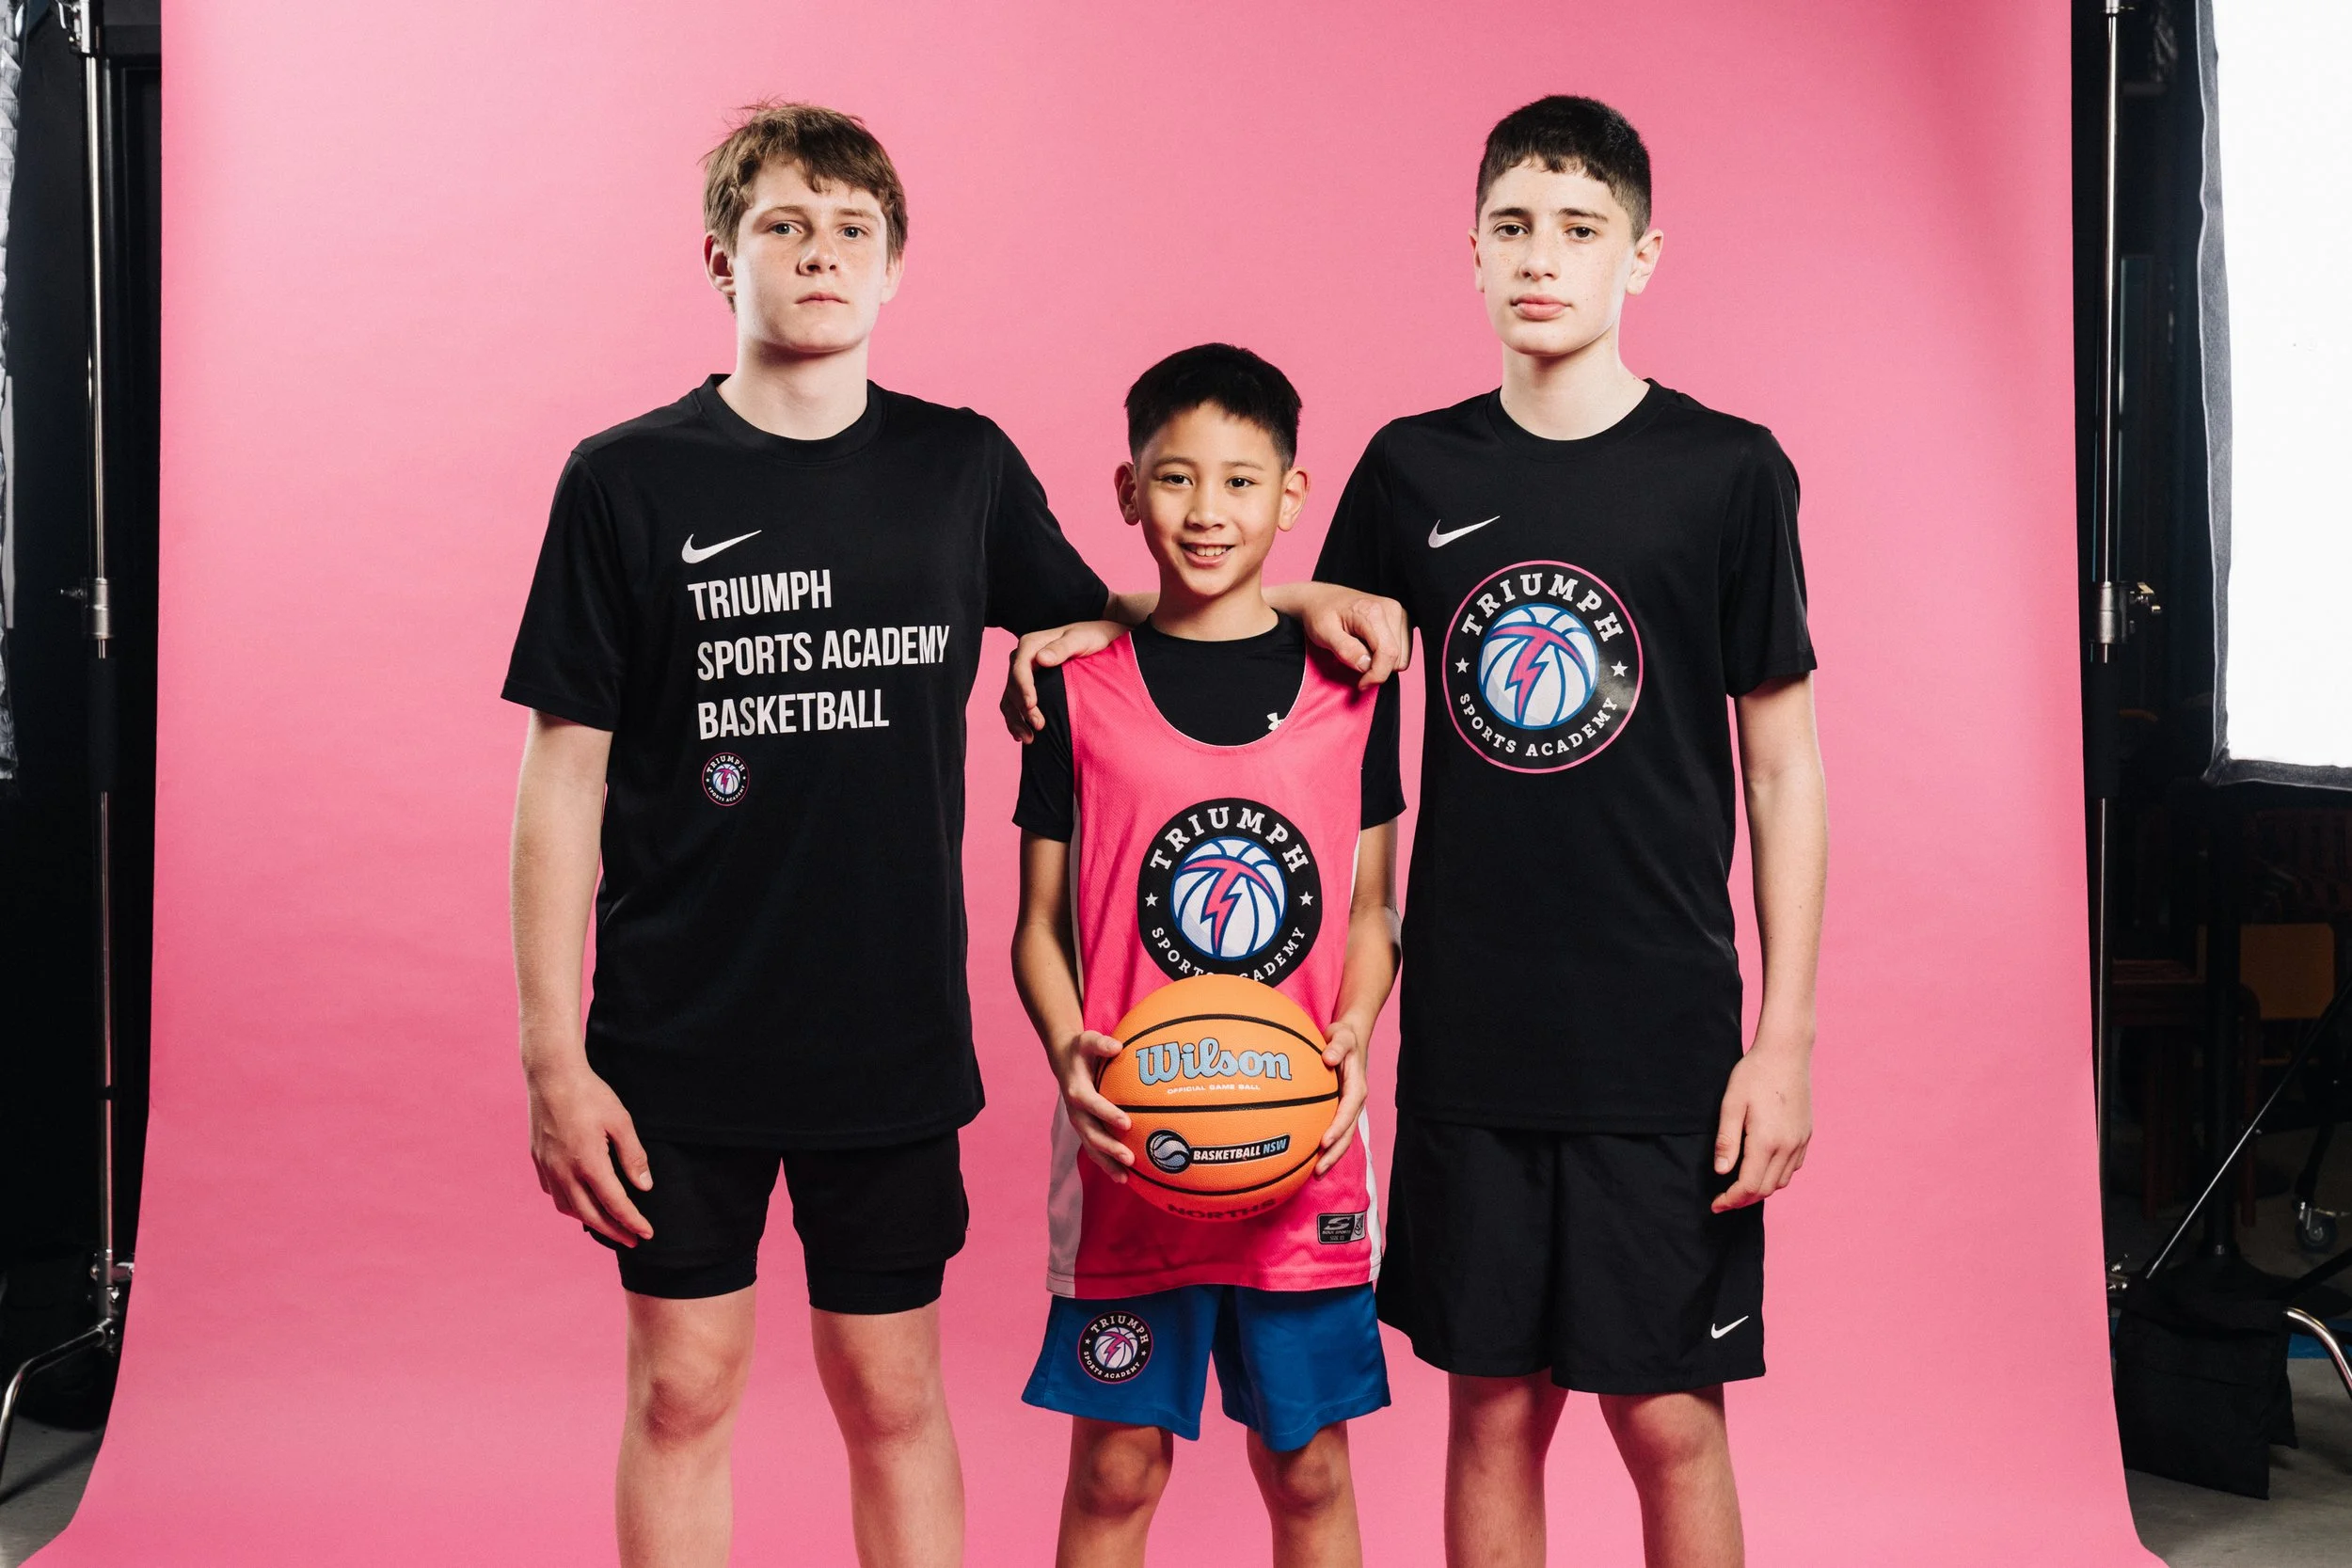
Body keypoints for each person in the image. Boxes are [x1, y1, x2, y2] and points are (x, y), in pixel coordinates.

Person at [502, 103, 1406, 1568]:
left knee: (890, 1389)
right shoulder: (625, 479)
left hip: (888, 1029)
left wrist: (1293, 602)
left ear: (895, 265)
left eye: (852, 228)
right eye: (785, 225)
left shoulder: (958, 467)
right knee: (682, 1386)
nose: (821, 253)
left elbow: (1119, 615)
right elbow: (561, 774)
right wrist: (556, 1056)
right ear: (721, 256)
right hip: (677, 1031)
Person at [1313, 97, 1827, 1568]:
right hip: (1474, 1027)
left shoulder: (1726, 471)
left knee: (1669, 1418)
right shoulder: (1411, 470)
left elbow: (1783, 768)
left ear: (1640, 256)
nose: (1544, 257)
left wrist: (1783, 1040)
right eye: (1515, 228)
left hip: (1660, 1036)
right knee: (1492, 1408)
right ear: (1472, 253)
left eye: (1581, 230)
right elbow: (1328, 716)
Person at [1009, 344, 1404, 1568]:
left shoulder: (1354, 685)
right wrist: (1069, 1052)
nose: (1207, 510)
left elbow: (1371, 908)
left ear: (1291, 495)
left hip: (1301, 1146)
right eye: (1177, 479)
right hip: (1135, 1141)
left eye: (1241, 481)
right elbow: (1038, 923)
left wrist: (1354, 1034)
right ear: (1130, 492)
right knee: (1115, 1468)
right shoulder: (1076, 689)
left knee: (1309, 1466)